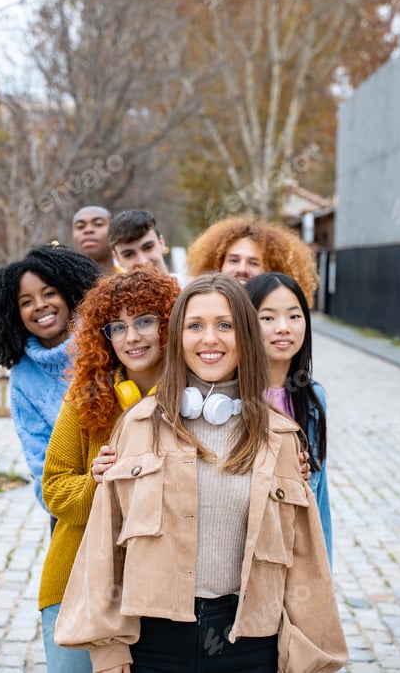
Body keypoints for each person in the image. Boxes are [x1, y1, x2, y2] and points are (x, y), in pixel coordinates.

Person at [55, 273, 348, 673]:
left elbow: (306, 563)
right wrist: (109, 652)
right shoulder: (138, 425)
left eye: (224, 325)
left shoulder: (281, 437)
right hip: (153, 644)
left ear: (245, 336)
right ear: (178, 337)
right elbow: (106, 549)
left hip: (250, 646)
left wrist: (310, 659)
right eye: (195, 326)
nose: (209, 339)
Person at [39, 269, 181, 673]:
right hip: (76, 584)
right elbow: (55, 490)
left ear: (170, 323)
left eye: (144, 321)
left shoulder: (197, 403)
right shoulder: (84, 398)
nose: (131, 337)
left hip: (158, 590)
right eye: (117, 327)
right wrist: (98, 484)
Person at [0, 243, 101, 515]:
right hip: (72, 507)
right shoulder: (23, 375)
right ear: (14, 314)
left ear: (69, 294)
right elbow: (40, 461)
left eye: (49, 293)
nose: (40, 305)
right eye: (26, 302)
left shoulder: (105, 343)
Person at [245, 272, 332, 564]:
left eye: (294, 317)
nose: (283, 328)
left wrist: (322, 571)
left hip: (295, 553)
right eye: (267, 318)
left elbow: (319, 499)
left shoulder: (312, 398)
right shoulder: (230, 398)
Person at [186, 215, 318, 306]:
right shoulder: (199, 308)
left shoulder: (278, 323)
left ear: (272, 270)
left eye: (254, 263)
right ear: (218, 264)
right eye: (234, 260)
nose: (242, 269)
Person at [108, 208, 188, 286]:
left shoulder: (192, 289)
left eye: (148, 248)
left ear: (161, 243)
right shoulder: (114, 299)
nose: (142, 262)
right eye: (129, 254)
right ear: (117, 258)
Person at [72, 205, 118, 274]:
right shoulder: (60, 283)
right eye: (80, 226)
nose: (88, 230)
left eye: (98, 224)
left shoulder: (133, 279)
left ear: (115, 230)